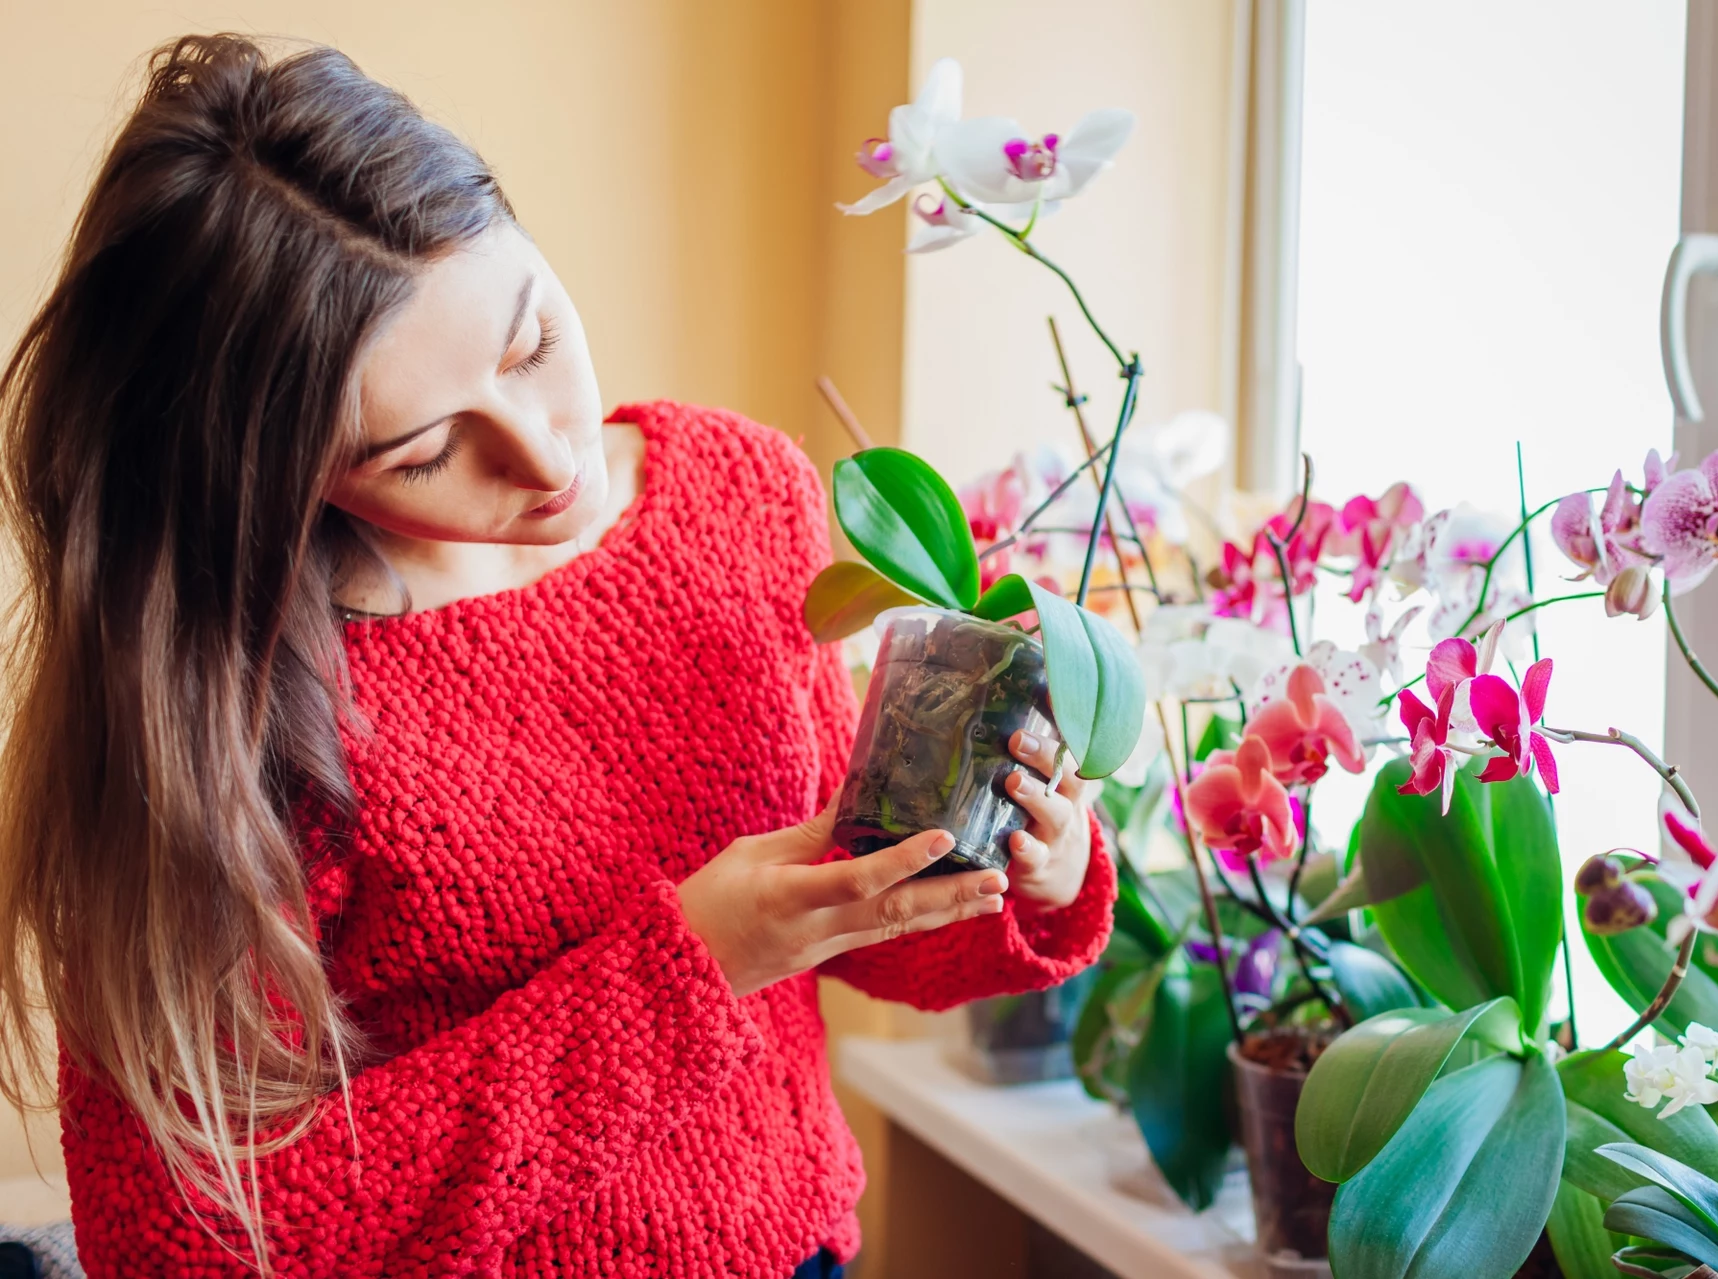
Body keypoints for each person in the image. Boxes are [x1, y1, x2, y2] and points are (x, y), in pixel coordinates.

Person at [0, 35, 1114, 1278]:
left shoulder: (743, 493)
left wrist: (1029, 865)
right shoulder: (225, 702)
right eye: (423, 450)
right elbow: (188, 1243)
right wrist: (688, 967)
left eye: (531, 342)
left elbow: (855, 920)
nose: (545, 457)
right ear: (271, 476)